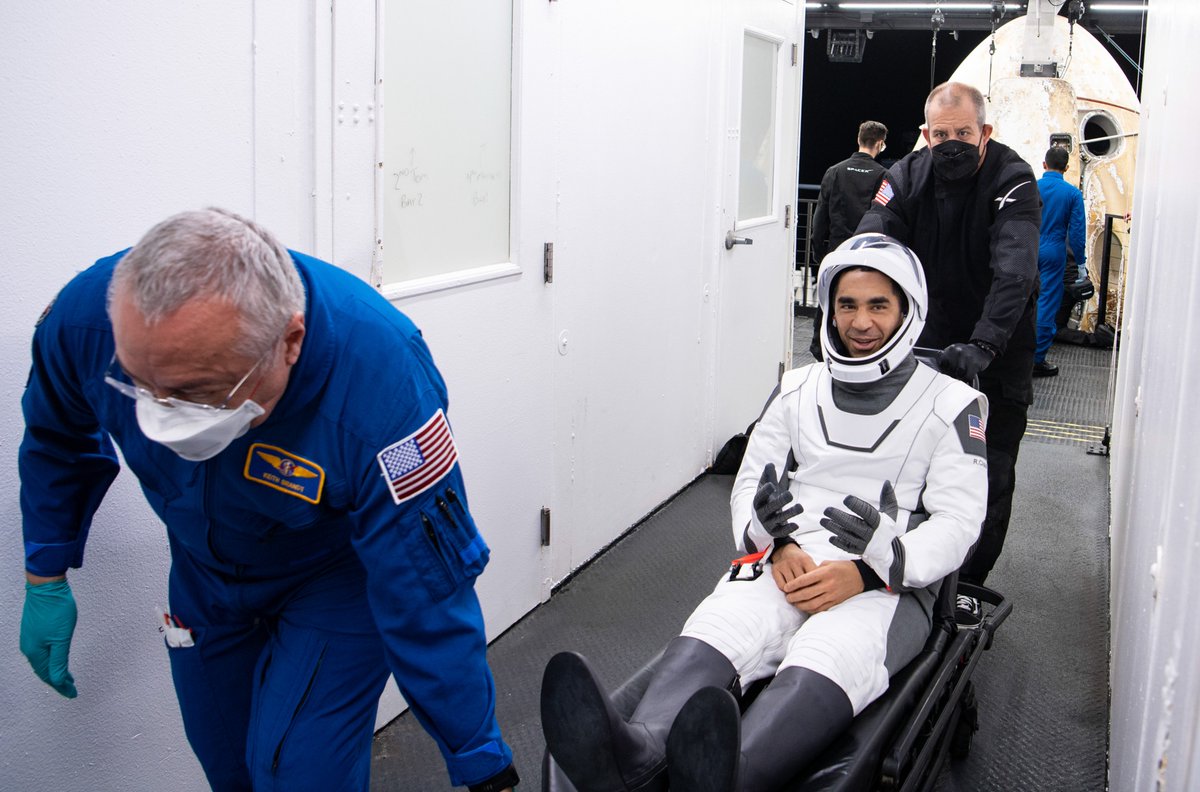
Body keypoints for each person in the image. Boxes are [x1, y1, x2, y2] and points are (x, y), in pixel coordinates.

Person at [17, 209, 518, 792]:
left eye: (199, 394)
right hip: (204, 577)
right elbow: (56, 439)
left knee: (298, 775)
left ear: (291, 341)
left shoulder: (382, 386)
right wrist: (44, 574)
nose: (163, 417)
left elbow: (425, 583)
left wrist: (478, 757)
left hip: (333, 578)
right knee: (229, 767)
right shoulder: (84, 321)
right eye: (140, 386)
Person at [540, 234, 988, 792]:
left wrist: (871, 567)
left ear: (907, 311)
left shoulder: (952, 405)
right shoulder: (797, 389)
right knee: (727, 622)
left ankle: (732, 776)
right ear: (829, 309)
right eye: (847, 304)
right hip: (788, 560)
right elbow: (752, 483)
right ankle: (641, 751)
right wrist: (776, 543)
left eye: (879, 305)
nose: (861, 322)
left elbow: (958, 525)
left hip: (885, 582)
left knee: (831, 651)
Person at [856, 81, 1040, 625]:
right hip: (925, 345)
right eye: (942, 135)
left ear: (985, 133)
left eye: (964, 134)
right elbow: (874, 239)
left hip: (995, 351)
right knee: (906, 460)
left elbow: (1016, 267)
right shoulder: (907, 175)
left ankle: (968, 584)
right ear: (925, 135)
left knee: (990, 473)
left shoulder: (1013, 179)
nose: (953, 144)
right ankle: (898, 561)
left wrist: (984, 342)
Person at [1033, 145, 1088, 377]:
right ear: (1066, 168)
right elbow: (1076, 233)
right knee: (1047, 303)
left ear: (1044, 164)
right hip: (1054, 251)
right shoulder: (1072, 194)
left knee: (1019, 299)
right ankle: (1037, 360)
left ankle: (1015, 354)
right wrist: (1081, 264)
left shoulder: (1031, 187)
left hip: (1027, 247)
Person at [810, 120, 889, 264]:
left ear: (859, 139)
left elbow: (820, 215)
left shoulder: (834, 171)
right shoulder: (884, 175)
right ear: (880, 143)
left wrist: (818, 251)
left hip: (837, 250)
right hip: (868, 253)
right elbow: (885, 216)